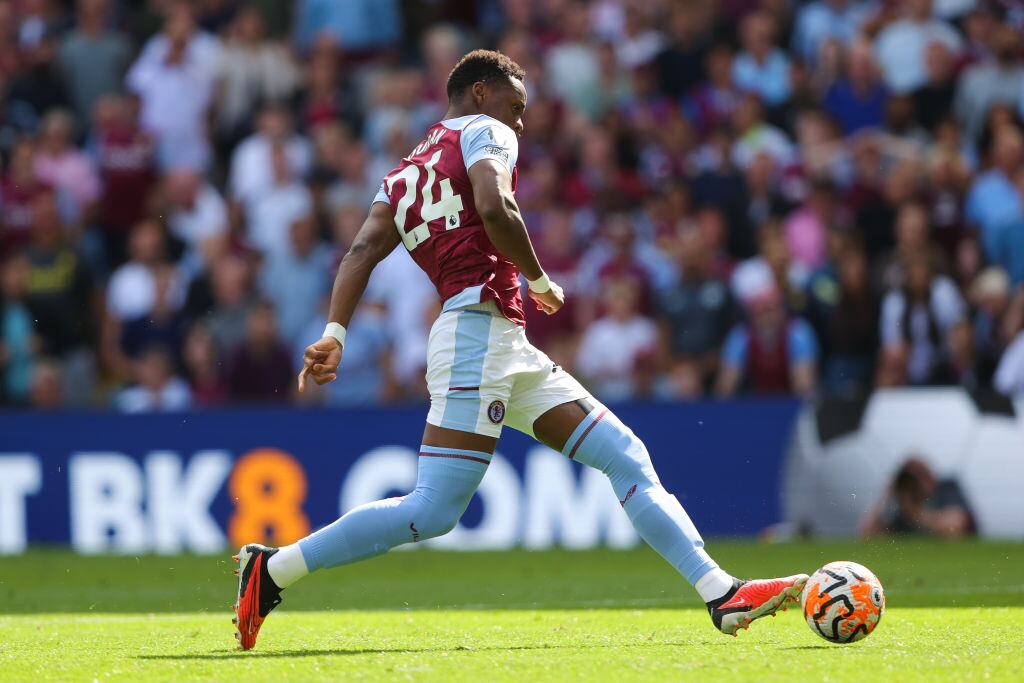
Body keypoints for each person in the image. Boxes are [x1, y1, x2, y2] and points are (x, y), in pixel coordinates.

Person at [231, 50, 808, 651]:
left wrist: (335, 332)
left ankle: (721, 592)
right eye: (516, 105)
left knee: (624, 455)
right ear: (480, 92)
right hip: (476, 334)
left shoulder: (404, 171)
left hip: (500, 341)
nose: (521, 122)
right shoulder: (486, 131)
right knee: (433, 510)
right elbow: (494, 206)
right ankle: (272, 572)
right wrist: (538, 280)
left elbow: (360, 250)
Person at [860, 457, 975, 538]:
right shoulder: (901, 501)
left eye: (919, 476)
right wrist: (886, 496)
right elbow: (867, 534)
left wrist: (915, 513)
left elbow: (954, 527)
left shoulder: (946, 488)